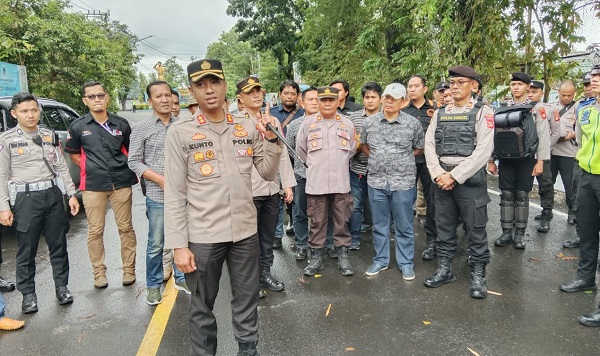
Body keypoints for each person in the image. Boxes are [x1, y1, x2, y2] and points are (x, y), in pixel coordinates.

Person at [164, 59, 283, 356]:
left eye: (214, 82)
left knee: (246, 298)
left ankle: (248, 348)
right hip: (203, 235)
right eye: (200, 85)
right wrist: (179, 245)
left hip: (244, 232)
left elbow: (267, 173)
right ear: (192, 90)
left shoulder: (246, 127)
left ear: (225, 85)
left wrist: (272, 140)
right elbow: (175, 194)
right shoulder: (180, 133)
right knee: (202, 303)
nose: (209, 90)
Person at [0, 92, 80, 312]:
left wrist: (71, 194)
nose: (30, 115)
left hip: (52, 195)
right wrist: (4, 207)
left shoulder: (48, 135)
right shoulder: (6, 140)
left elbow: (61, 167)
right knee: (27, 249)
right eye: (25, 111)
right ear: (14, 113)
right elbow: (2, 175)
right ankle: (28, 295)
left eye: (34, 110)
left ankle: (62, 287)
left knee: (59, 244)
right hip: (26, 199)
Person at [423, 66, 495, 299]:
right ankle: (445, 270)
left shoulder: (484, 112)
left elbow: (484, 150)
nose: (453, 86)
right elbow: (429, 146)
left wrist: (454, 176)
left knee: (475, 229)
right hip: (441, 180)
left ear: (473, 85)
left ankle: (478, 275)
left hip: (469, 181)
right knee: (443, 228)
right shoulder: (440, 113)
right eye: (451, 83)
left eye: (460, 82)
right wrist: (438, 174)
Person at [65, 81, 138, 288]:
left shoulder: (121, 124)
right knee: (95, 230)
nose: (97, 99)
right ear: (85, 101)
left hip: (121, 182)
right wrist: (94, 167)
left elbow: (130, 151)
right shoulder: (78, 126)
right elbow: (74, 155)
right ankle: (99, 273)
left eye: (100, 95)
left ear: (107, 97)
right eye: (91, 97)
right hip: (93, 185)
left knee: (125, 227)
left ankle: (129, 270)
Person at [128, 81, 190, 306]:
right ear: (149, 100)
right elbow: (133, 161)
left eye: (167, 95)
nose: (164, 100)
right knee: (156, 243)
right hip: (158, 195)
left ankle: (181, 278)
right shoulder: (142, 128)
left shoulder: (183, 126)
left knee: (182, 239)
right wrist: (159, 179)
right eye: (158, 96)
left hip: (184, 195)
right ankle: (153, 286)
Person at [234, 76, 296, 295]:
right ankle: (250, 281)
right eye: (250, 92)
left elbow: (282, 156)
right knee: (248, 240)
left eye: (258, 91)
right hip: (247, 191)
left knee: (267, 236)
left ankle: (265, 274)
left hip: (270, 188)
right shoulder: (233, 123)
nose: (256, 95)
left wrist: (287, 185)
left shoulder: (273, 121)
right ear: (240, 99)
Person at [361, 83, 424, 279]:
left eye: (394, 98)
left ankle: (406, 262)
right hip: (377, 182)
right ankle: (380, 260)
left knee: (404, 225)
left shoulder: (413, 124)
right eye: (386, 97)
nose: (388, 101)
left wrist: (399, 161)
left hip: (403, 182)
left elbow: (418, 149)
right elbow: (364, 146)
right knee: (379, 225)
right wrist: (379, 160)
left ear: (403, 102)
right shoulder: (369, 123)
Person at [297, 86, 356, 276]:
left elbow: (352, 150)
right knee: (317, 222)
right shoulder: (308, 124)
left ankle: (343, 256)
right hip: (317, 183)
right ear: (318, 102)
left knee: (342, 221)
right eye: (324, 100)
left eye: (332, 100)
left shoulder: (347, 124)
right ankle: (315, 258)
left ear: (338, 102)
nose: (328, 103)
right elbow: (301, 151)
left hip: (341, 182)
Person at [488, 72, 550, 250]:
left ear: (527, 88)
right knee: (506, 194)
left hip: (527, 159)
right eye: (513, 84)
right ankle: (506, 232)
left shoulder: (536, 109)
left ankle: (519, 235)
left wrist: (540, 162)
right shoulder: (501, 109)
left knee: (522, 195)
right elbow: (493, 135)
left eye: (520, 84)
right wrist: (491, 160)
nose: (516, 87)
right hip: (506, 159)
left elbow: (543, 136)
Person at [559, 65, 600, 327]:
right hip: (586, 175)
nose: (593, 81)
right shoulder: (585, 109)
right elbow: (583, 140)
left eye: (599, 77)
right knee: (586, 231)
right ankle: (586, 278)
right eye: (592, 77)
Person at [401, 75, 438, 259]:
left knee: (433, 201)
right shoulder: (402, 110)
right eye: (409, 86)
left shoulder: (435, 109)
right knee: (406, 200)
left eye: (416, 86)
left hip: (429, 163)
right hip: (407, 162)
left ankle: (432, 241)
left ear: (425, 89)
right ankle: (404, 239)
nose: (412, 89)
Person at [285, 87, 319, 260]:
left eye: (317, 99)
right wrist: (303, 161)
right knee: (300, 212)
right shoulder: (295, 125)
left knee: (322, 212)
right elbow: (290, 148)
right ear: (302, 102)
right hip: (301, 174)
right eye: (310, 99)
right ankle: (301, 245)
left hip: (323, 176)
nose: (314, 102)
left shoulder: (329, 122)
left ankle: (325, 244)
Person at [348, 82, 382, 250]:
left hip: (379, 170)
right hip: (357, 168)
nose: (370, 100)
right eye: (367, 97)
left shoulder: (386, 116)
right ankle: (354, 238)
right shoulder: (353, 117)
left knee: (378, 205)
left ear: (380, 99)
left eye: (373, 97)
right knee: (355, 205)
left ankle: (380, 239)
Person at [271, 80, 304, 247]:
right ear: (280, 95)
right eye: (286, 93)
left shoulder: (303, 115)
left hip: (296, 162)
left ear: (298, 96)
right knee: (277, 198)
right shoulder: (270, 114)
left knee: (295, 199)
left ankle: (294, 225)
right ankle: (277, 234)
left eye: (293, 94)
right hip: (276, 161)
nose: (289, 97)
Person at [563, 72, 593, 249]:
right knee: (579, 201)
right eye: (586, 85)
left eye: (592, 84)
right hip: (582, 162)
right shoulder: (583, 107)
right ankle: (581, 236)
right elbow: (580, 139)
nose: (589, 89)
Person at [527, 80, 561, 233]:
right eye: (529, 91)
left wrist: (545, 149)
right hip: (526, 155)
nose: (531, 94)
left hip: (542, 155)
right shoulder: (522, 107)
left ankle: (546, 214)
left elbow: (556, 132)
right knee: (523, 186)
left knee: (546, 185)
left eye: (534, 91)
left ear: (541, 92)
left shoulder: (549, 109)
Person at [550, 81, 578, 225]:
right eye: (563, 95)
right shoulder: (551, 107)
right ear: (558, 92)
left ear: (574, 93)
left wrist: (572, 134)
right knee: (548, 183)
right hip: (552, 151)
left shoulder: (579, 107)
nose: (566, 98)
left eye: (569, 95)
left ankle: (572, 211)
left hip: (569, 153)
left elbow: (582, 129)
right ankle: (546, 211)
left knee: (570, 184)